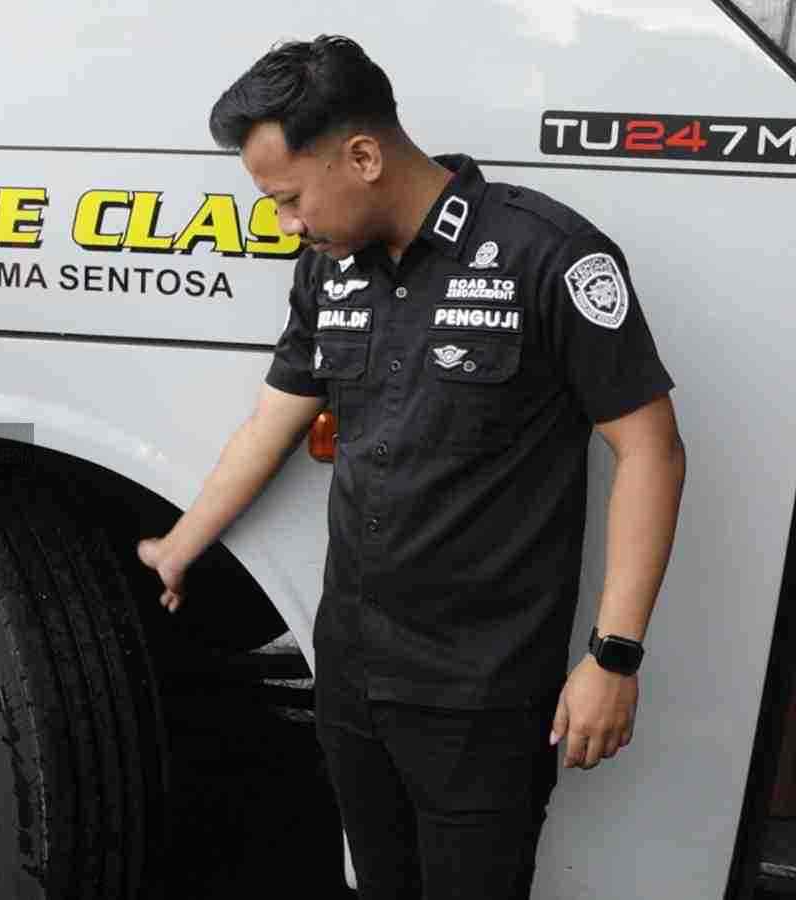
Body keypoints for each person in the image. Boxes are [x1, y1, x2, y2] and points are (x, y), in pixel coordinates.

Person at [137, 35, 685, 899]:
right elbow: (270, 423)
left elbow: (650, 449)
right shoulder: (328, 273)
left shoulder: (546, 255)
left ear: (361, 156)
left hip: (483, 696)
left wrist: (613, 658)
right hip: (351, 677)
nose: (286, 223)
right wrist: (179, 545)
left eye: (287, 199)